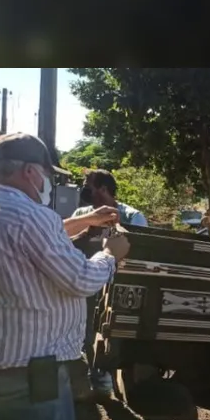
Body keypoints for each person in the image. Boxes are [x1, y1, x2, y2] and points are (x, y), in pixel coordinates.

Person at [0, 132, 130, 420]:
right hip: (31, 375)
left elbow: (29, 237)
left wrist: (86, 222)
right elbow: (81, 280)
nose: (47, 183)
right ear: (30, 171)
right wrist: (111, 254)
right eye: (46, 175)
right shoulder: (31, 217)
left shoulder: (9, 213)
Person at [70, 169, 147, 398]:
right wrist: (86, 231)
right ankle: (99, 384)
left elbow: (142, 254)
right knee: (85, 334)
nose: (84, 189)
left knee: (115, 336)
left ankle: (126, 383)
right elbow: (65, 246)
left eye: (88, 185)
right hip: (86, 284)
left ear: (103, 189)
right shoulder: (82, 214)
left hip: (120, 290)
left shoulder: (132, 216)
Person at [72, 169, 148, 226]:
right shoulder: (80, 214)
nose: (84, 191)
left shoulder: (133, 217)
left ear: (103, 189)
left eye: (88, 187)